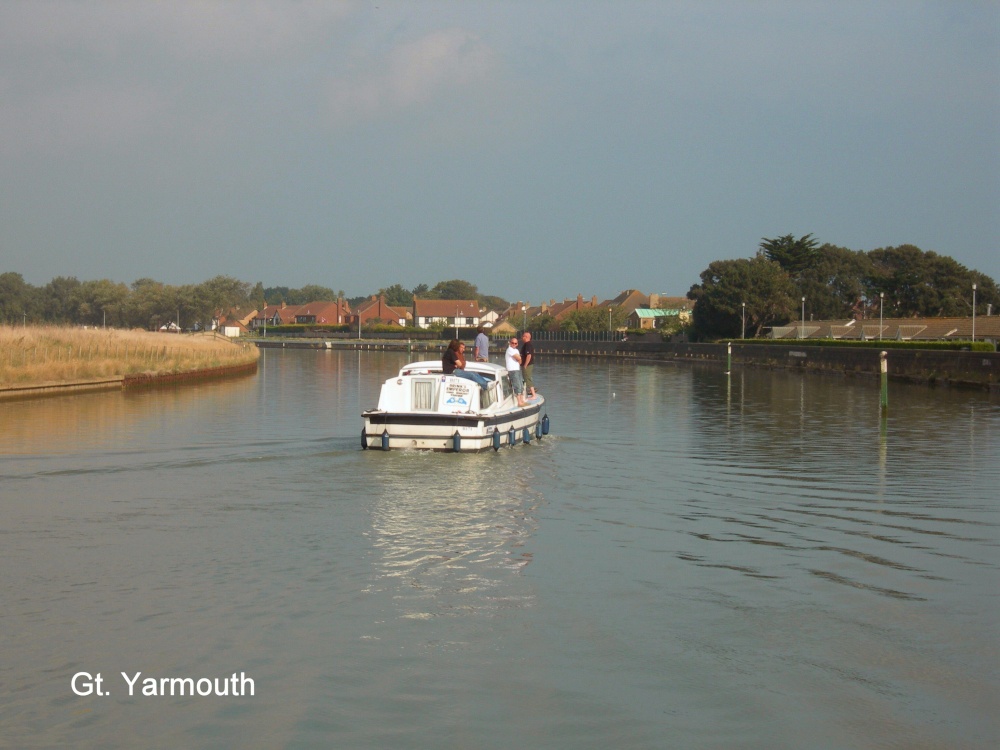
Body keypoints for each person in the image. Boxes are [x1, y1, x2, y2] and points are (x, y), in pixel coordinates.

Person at [505, 337, 528, 407]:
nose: (514, 344)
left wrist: (519, 358)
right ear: (510, 343)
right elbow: (518, 358)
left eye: (515, 343)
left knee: (521, 385)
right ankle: (519, 402)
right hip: (512, 370)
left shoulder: (516, 350)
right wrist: (519, 358)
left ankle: (521, 400)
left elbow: (520, 361)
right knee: (517, 385)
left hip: (517, 369)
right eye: (512, 343)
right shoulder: (510, 349)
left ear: (517, 344)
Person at [519, 331, 537, 399]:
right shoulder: (526, 344)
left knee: (527, 378)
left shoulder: (528, 345)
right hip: (526, 365)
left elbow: (528, 355)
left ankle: (533, 395)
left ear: (526, 337)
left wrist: (525, 365)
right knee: (526, 378)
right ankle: (527, 392)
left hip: (528, 365)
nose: (522, 337)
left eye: (523, 336)